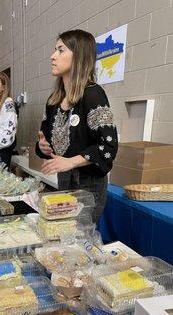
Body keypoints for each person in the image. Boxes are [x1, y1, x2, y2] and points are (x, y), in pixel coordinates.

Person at [35, 30, 118, 223]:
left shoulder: (93, 95)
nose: (52, 56)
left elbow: (108, 145)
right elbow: (45, 139)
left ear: (79, 55)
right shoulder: (54, 100)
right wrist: (42, 146)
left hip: (88, 186)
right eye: (55, 50)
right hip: (65, 181)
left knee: (80, 237)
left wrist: (71, 161)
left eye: (60, 50)